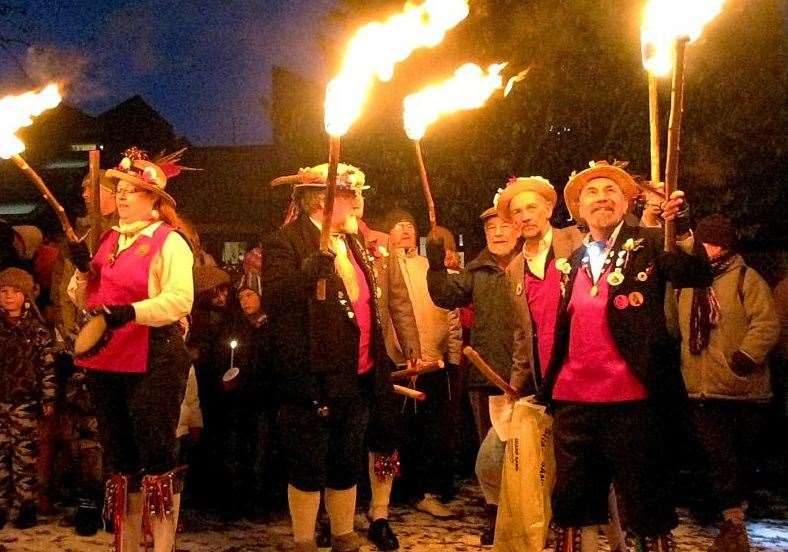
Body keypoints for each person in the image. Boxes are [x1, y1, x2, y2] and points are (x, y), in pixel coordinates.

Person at [539, 161, 712, 552]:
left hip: (632, 399)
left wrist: (680, 225)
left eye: (610, 192)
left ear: (627, 202)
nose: (601, 198)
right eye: (592, 194)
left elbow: (695, 273)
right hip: (574, 399)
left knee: (645, 498)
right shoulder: (571, 260)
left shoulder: (649, 241)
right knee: (573, 501)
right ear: (579, 210)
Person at [263, 163, 398, 552]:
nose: (359, 202)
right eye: (350, 194)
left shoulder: (353, 243)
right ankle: (304, 540)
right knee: (307, 464)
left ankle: (343, 534)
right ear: (322, 200)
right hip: (312, 376)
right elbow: (275, 298)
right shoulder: (285, 241)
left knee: (346, 458)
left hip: (358, 375)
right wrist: (307, 271)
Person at [66, 148, 194, 552]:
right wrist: (82, 269)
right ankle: (128, 541)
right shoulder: (107, 240)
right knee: (119, 458)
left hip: (154, 355)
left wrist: (132, 311)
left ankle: (162, 544)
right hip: (107, 358)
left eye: (132, 190)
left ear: (154, 198)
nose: (121, 196)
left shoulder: (169, 242)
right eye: (119, 189)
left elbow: (179, 301)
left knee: (156, 455)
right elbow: (81, 298)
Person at [674, 214, 780, 552]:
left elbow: (766, 323)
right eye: (705, 242)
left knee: (738, 461)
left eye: (717, 243)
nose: (709, 249)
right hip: (702, 389)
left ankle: (735, 524)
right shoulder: (689, 281)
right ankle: (732, 524)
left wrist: (745, 356)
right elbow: (674, 325)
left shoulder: (746, 278)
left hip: (743, 390)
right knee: (719, 459)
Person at [425, 197, 521, 544]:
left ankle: (530, 512)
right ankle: (495, 513)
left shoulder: (537, 264)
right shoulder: (477, 272)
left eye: (504, 226)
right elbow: (444, 295)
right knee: (491, 452)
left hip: (531, 378)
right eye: (490, 228)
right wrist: (435, 263)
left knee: (528, 450)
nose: (497, 233)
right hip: (488, 374)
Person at [383, 209, 463, 519]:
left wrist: (451, 355)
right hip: (400, 363)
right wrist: (398, 355)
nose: (404, 230)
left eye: (409, 225)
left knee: (435, 431)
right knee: (401, 432)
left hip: (435, 360)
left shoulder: (431, 266)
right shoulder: (383, 266)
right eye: (397, 225)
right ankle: (398, 492)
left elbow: (450, 311)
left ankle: (429, 491)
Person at [0, 267, 57, 529]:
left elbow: (47, 366)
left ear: (26, 295)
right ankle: (2, 505)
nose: (9, 296)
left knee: (24, 457)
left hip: (25, 402)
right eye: (3, 291)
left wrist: (48, 397)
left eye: (15, 291)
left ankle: (26, 506)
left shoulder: (37, 329)